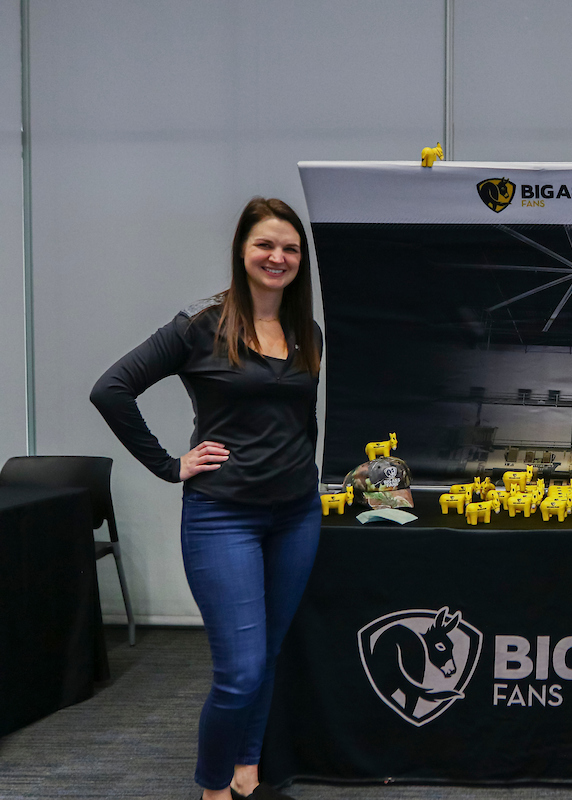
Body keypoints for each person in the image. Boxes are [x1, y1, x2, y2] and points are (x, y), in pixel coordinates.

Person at [91, 197, 323, 800]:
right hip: (224, 517)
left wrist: (307, 474)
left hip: (297, 515)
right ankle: (213, 789)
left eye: (290, 248)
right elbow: (111, 389)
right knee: (240, 671)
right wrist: (170, 466)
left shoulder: (306, 332)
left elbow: (303, 419)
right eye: (265, 244)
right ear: (242, 250)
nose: (277, 257)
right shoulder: (200, 326)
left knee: (268, 655)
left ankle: (248, 772)